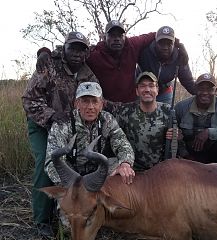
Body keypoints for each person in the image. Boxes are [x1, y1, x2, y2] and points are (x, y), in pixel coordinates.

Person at [22, 31, 98, 238]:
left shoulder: (87, 74)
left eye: (81, 49)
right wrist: (52, 116)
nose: (77, 54)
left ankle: (66, 209)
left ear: (86, 53)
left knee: (73, 164)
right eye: (72, 48)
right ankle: (42, 220)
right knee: (45, 163)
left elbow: (95, 100)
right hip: (41, 124)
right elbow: (29, 100)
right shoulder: (48, 65)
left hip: (67, 127)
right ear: (64, 48)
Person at [37, 21, 189, 103]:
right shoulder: (94, 53)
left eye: (120, 35)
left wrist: (180, 45)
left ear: (125, 36)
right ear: (105, 37)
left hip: (132, 103)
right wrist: (44, 52)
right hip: (106, 106)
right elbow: (69, 52)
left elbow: (155, 35)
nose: (116, 38)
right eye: (112, 35)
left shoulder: (133, 45)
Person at [45, 81, 135, 186]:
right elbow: (52, 163)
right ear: (76, 104)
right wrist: (73, 184)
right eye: (85, 101)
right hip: (72, 177)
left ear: (101, 104)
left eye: (94, 101)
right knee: (67, 199)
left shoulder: (107, 119)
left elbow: (122, 144)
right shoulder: (62, 124)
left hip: (97, 172)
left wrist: (125, 163)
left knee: (120, 169)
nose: (90, 107)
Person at [105, 71, 177, 171]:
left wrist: (176, 137)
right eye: (142, 86)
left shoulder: (168, 111)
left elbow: (177, 144)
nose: (147, 89)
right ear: (137, 91)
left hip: (159, 172)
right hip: (131, 171)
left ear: (157, 90)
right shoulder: (124, 111)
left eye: (151, 86)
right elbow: (113, 140)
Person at [175, 73, 217, 163]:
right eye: (201, 89)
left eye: (209, 89)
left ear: (215, 90)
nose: (205, 93)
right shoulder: (181, 107)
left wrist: (209, 132)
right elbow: (173, 132)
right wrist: (184, 154)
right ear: (195, 89)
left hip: (215, 153)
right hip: (189, 155)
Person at [137, 25, 195, 104]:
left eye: (169, 44)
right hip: (143, 91)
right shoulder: (144, 51)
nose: (165, 47)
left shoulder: (180, 56)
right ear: (155, 42)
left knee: (167, 115)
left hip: (164, 93)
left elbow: (188, 81)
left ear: (174, 44)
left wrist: (204, 94)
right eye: (161, 44)